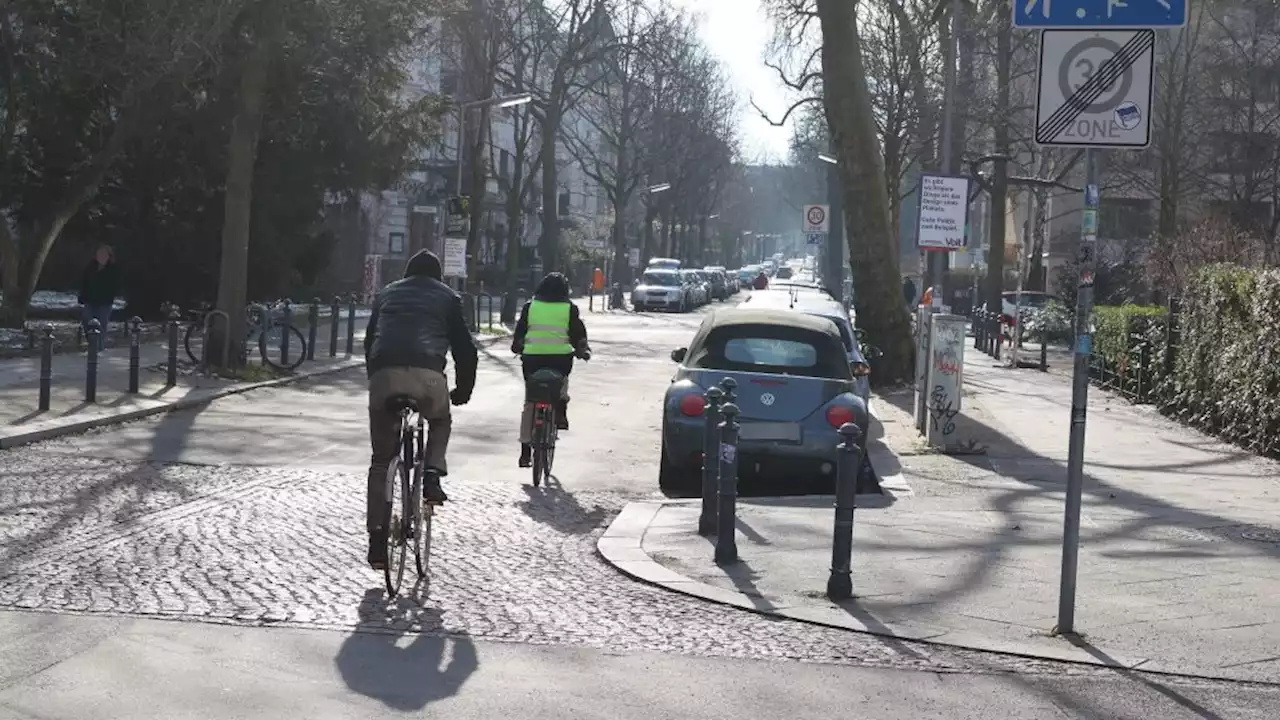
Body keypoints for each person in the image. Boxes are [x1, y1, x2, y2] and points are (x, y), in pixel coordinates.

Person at [363, 249, 477, 570]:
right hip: (428, 378)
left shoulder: (386, 293)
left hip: (385, 375)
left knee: (381, 461)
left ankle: (376, 539)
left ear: (407, 273)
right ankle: (431, 473)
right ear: (438, 277)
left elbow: (370, 341)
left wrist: (377, 379)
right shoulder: (448, 298)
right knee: (439, 421)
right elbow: (465, 350)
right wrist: (462, 391)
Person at [511, 272, 589, 468]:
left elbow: (520, 332)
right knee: (561, 383)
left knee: (531, 402)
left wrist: (518, 346)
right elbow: (577, 334)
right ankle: (560, 411)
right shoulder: (569, 308)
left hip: (532, 360)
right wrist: (582, 350)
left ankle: (525, 452)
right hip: (560, 359)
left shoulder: (530, 307)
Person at [78, 244, 119, 352]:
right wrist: (82, 296)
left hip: (105, 302)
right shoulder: (90, 267)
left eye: (104, 254)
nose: (101, 257)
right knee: (87, 321)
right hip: (90, 300)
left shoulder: (113, 269)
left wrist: (110, 295)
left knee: (101, 324)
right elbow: (84, 282)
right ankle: (92, 343)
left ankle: (98, 348)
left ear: (109, 256)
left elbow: (115, 285)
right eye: (99, 254)